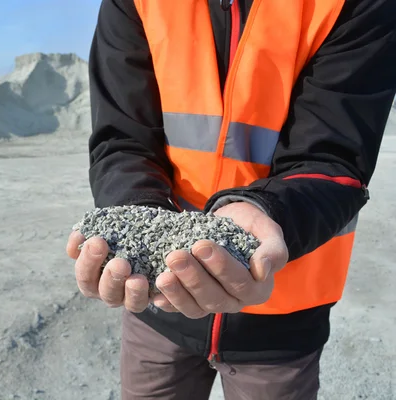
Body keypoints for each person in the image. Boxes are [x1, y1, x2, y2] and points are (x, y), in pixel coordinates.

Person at [66, 0, 396, 399]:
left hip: (281, 317)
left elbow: (333, 156)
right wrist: (134, 208)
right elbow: (122, 138)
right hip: (158, 305)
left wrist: (265, 213)